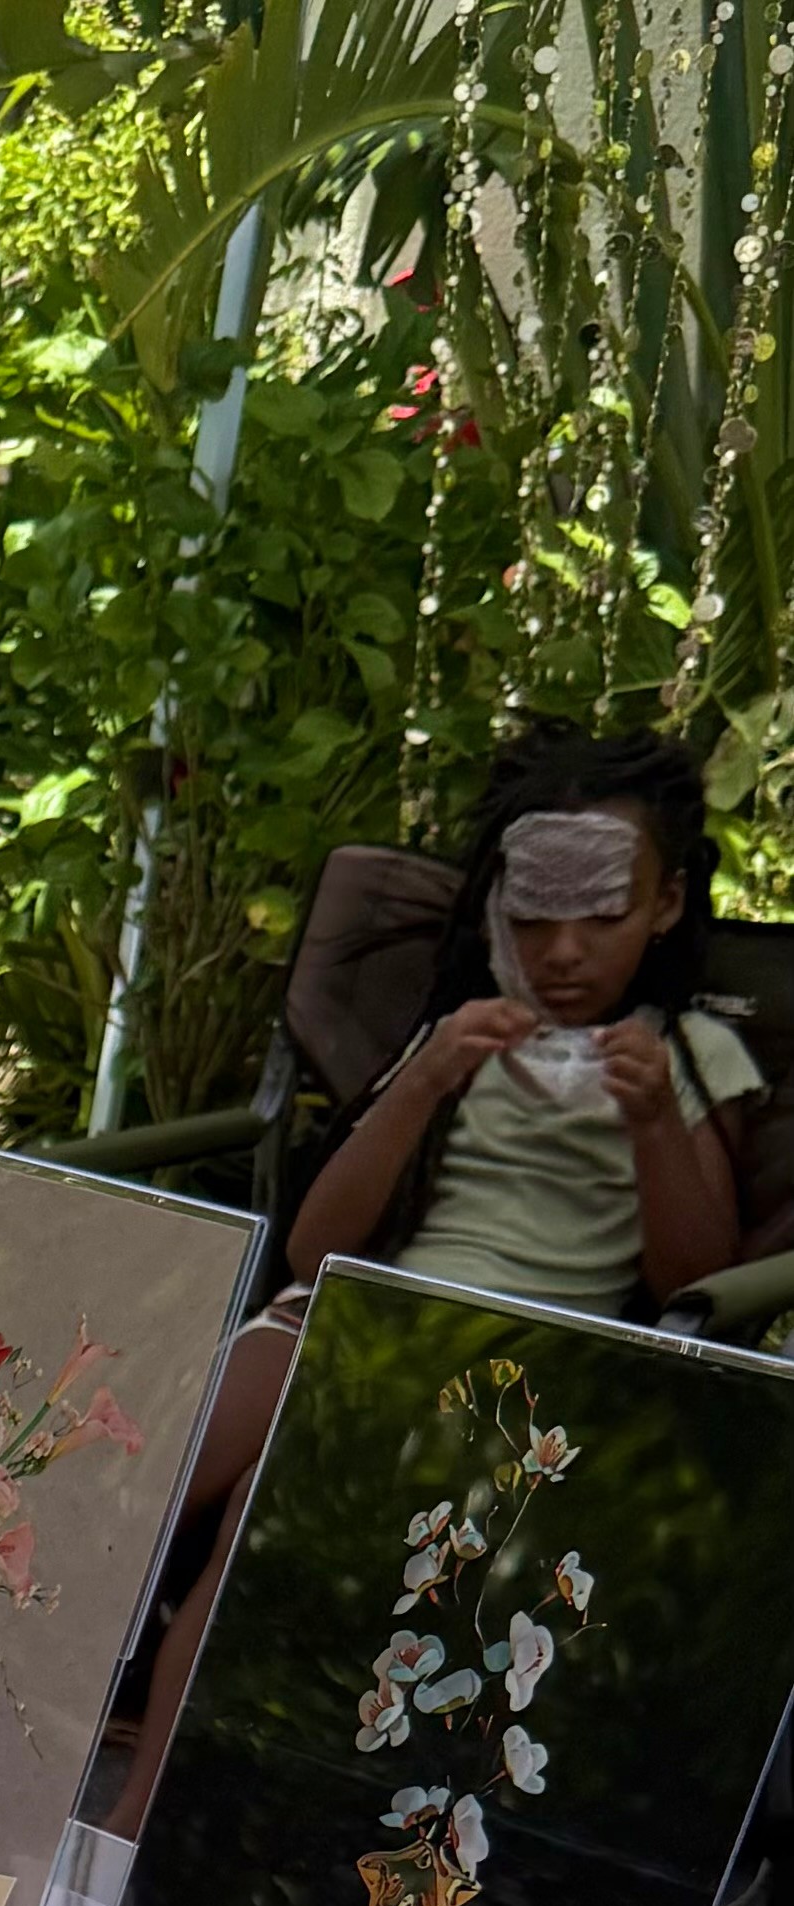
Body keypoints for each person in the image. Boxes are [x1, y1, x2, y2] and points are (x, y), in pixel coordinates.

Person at [107, 728, 763, 1814]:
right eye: (533, 916)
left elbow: (695, 1278)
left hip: (515, 1359)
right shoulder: (463, 1039)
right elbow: (315, 1248)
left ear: (665, 905)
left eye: (600, 915)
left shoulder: (688, 1057)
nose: (563, 951)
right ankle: (33, 1717)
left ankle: (142, 1816)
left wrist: (652, 1119)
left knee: (263, 1511)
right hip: (357, 1308)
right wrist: (424, 1080)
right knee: (143, 1470)